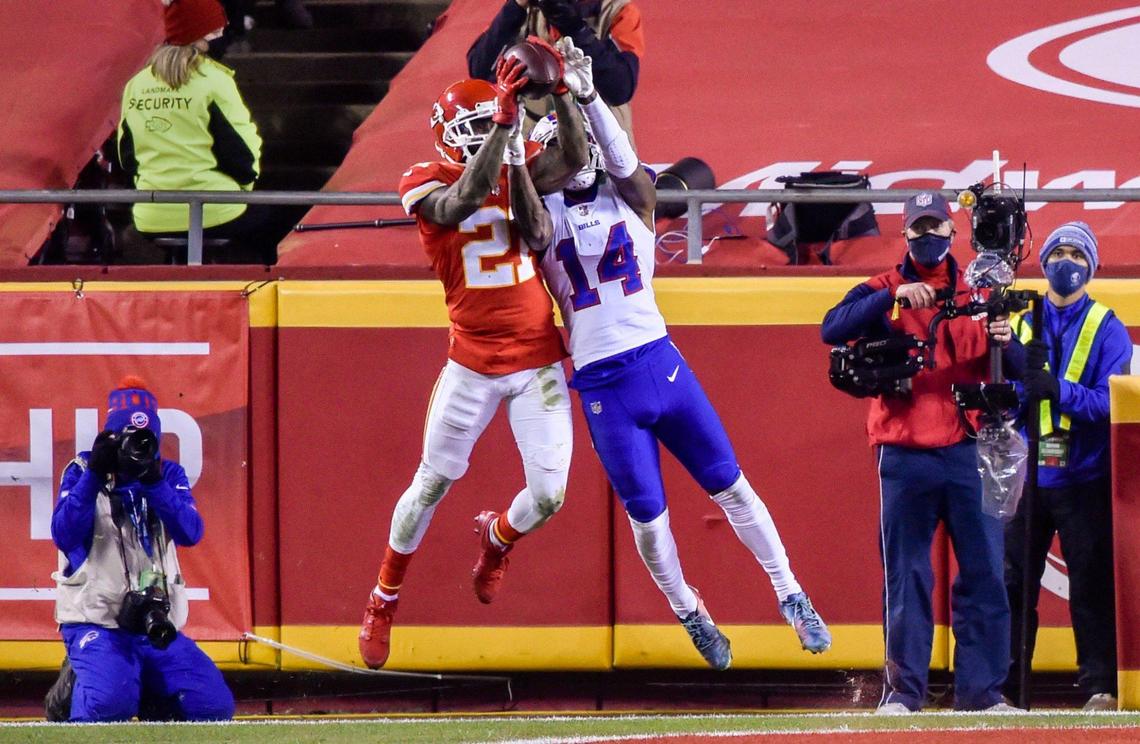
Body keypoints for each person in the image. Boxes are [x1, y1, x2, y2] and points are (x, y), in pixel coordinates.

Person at [510, 39, 830, 671]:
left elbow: (627, 165)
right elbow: (527, 210)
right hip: (603, 383)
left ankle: (790, 592)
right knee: (650, 520)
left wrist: (590, 95)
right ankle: (689, 610)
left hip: (658, 360)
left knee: (731, 486)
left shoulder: (635, 195)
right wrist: (516, 142)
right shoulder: (540, 215)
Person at [357, 49, 589, 669]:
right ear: (445, 133)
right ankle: (384, 597)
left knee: (549, 497)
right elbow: (458, 202)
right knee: (431, 482)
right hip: (470, 363)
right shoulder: (421, 178)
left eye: (491, 122)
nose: (486, 133)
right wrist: (506, 131)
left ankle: (496, 538)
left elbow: (573, 159)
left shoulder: (515, 155)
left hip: (536, 359)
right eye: (476, 126)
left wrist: (562, 94)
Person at [820, 192, 1021, 713]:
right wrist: (893, 302)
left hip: (969, 449)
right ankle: (903, 693)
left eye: (936, 228)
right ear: (904, 235)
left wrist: (1006, 337)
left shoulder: (983, 290)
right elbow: (832, 327)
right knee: (907, 574)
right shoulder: (885, 287)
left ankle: (981, 694)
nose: (927, 238)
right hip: (904, 450)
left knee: (985, 572)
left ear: (954, 234)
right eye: (918, 229)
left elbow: (1021, 367)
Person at [46, 377, 233, 723]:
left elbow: (191, 533)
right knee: (108, 708)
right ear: (110, 438)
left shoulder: (166, 474)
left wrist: (153, 482)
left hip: (154, 625)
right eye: (127, 438)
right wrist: (95, 477)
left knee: (213, 708)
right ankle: (77, 683)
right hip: (97, 621)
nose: (137, 448)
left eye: (145, 440)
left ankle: (139, 689)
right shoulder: (83, 470)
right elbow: (63, 533)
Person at [1003, 222, 1131, 712]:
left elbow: (1111, 402)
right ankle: (1009, 689)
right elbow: (999, 394)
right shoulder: (1019, 320)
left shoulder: (1106, 327)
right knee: (1014, 583)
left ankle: (1100, 685)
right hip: (1027, 476)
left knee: (1092, 582)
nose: (1068, 263)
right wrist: (1019, 392)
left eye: (1079, 255)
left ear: (1092, 267)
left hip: (1084, 476)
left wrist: (1058, 391)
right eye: (1060, 251)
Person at [118, 0, 281, 264]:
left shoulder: (136, 84)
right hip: (213, 209)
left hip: (151, 214)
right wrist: (243, 186)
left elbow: (127, 158)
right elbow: (242, 155)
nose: (221, 36)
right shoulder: (214, 81)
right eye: (216, 31)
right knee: (277, 218)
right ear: (200, 36)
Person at [467, 0, 643, 139]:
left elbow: (620, 89)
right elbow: (479, 70)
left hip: (598, 134)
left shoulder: (616, 10)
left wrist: (575, 29)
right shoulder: (527, 10)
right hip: (536, 137)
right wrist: (513, 10)